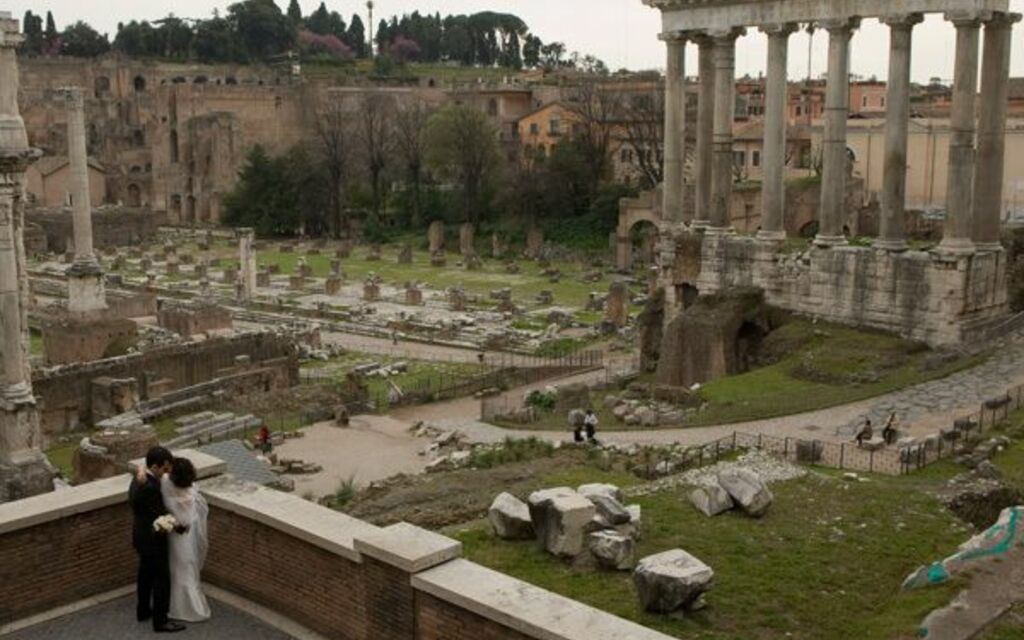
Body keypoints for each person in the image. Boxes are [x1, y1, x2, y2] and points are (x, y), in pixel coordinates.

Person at [129, 446, 186, 634]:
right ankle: (160, 621)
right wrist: (179, 527)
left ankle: (143, 610)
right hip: (152, 541)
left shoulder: (138, 480)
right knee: (161, 579)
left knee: (144, 575)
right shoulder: (150, 487)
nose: (166, 474)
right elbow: (160, 517)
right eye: (164, 469)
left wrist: (139, 470)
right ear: (154, 466)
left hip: (139, 536)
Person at [161, 458, 211, 623]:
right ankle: (192, 605)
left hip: (174, 534)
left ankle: (178, 607)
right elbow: (190, 518)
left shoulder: (165, 484)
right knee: (187, 567)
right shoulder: (192, 490)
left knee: (176, 569)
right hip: (187, 535)